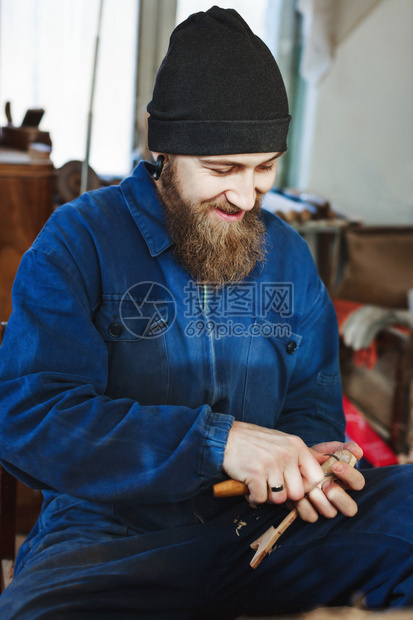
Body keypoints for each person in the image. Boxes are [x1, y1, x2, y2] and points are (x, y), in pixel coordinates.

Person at [0, 6, 412, 619]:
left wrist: (314, 459)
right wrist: (217, 444)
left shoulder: (290, 256)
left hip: (270, 530)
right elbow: (32, 419)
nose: (247, 195)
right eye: (223, 170)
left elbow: (312, 402)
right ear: (163, 149)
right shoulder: (77, 241)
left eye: (265, 168)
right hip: (114, 534)